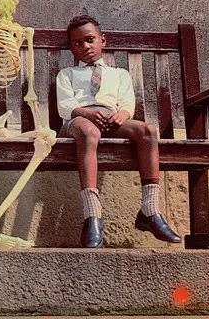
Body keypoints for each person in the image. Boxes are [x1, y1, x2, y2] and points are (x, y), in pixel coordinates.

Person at [56, 15, 181, 248]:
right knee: (89, 131)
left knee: (147, 130)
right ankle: (92, 216)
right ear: (71, 48)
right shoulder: (67, 74)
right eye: (77, 43)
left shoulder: (119, 74)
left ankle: (150, 210)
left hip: (111, 121)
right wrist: (86, 113)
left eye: (90, 39)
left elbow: (126, 103)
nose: (85, 46)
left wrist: (121, 115)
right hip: (78, 123)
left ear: (102, 40)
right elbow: (65, 106)